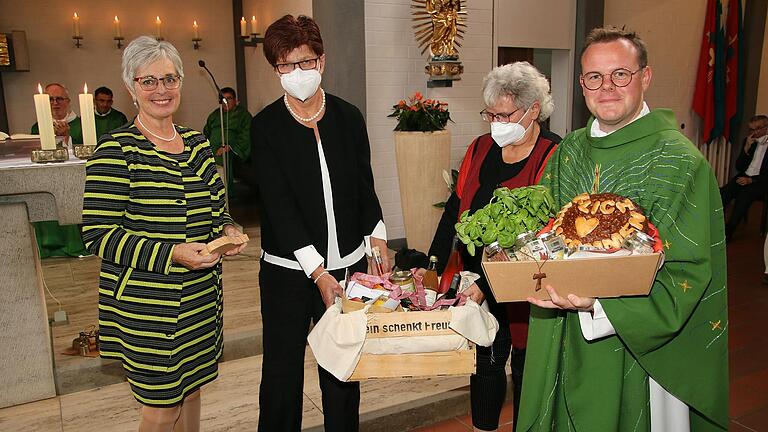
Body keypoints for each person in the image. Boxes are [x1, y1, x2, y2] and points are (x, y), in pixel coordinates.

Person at [517, 27, 728, 431]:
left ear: (645, 77)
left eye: (620, 74)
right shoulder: (568, 151)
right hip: (562, 325)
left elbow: (689, 268)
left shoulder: (679, 161)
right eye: (594, 77)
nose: (606, 87)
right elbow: (540, 230)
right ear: (582, 84)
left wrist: (600, 305)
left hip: (635, 340)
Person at [81, 36, 247, 432]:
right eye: (149, 81)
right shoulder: (116, 150)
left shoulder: (197, 143)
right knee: (161, 407)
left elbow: (217, 208)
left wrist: (228, 229)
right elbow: (98, 234)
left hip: (200, 300)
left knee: (191, 392)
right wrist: (172, 253)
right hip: (146, 306)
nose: (162, 89)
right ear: (131, 87)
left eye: (170, 79)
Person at [251, 15, 390, 432]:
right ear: (276, 70)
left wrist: (378, 239)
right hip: (289, 273)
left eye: (305, 62)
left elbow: (365, 187)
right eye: (286, 66)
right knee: (282, 374)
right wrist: (317, 272)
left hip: (347, 267)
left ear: (322, 61)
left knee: (343, 373)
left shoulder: (348, 117)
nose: (297, 74)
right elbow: (279, 206)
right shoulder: (266, 127)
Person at [425, 62, 559, 432]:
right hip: (475, 281)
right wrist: (433, 263)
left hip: (524, 286)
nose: (496, 122)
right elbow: (456, 207)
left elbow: (541, 233)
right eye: (490, 114)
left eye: (504, 114)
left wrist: (486, 286)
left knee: (525, 366)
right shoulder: (481, 147)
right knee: (484, 361)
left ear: (534, 110)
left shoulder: (553, 155)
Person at [30, 83, 88, 258]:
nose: (55, 103)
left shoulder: (82, 123)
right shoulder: (37, 127)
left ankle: (73, 245)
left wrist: (67, 138)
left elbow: (88, 149)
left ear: (68, 101)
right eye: (50, 99)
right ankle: (48, 246)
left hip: (74, 180)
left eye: (59, 99)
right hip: (46, 180)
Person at [720, 114, 768, 239]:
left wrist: (751, 180)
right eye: (751, 129)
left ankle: (728, 231)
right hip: (745, 175)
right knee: (724, 192)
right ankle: (716, 225)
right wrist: (746, 149)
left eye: (757, 129)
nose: (754, 132)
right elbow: (740, 167)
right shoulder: (749, 141)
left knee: (743, 196)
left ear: (766, 128)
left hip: (760, 181)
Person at [203, 87, 252, 196]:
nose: (226, 102)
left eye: (229, 98)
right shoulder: (215, 115)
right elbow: (206, 132)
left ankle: (224, 194)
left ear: (235, 100)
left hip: (231, 148)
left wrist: (230, 147)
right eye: (223, 99)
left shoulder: (243, 115)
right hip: (212, 147)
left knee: (222, 158)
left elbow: (247, 134)